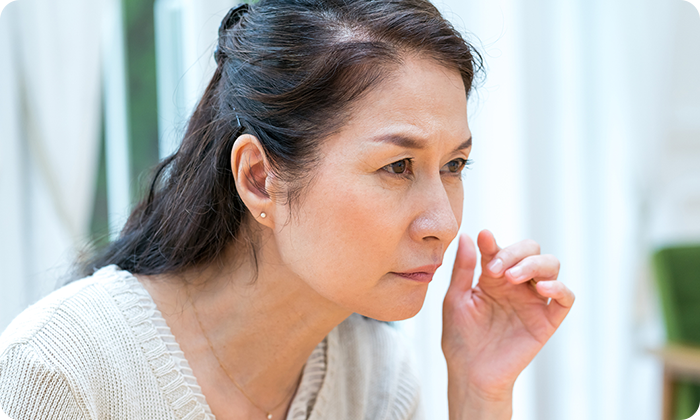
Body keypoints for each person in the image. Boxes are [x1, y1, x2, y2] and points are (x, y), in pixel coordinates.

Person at [0, 0, 575, 418]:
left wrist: (479, 396)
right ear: (259, 179)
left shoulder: (374, 378)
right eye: (397, 167)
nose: (444, 225)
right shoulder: (58, 374)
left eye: (453, 166)